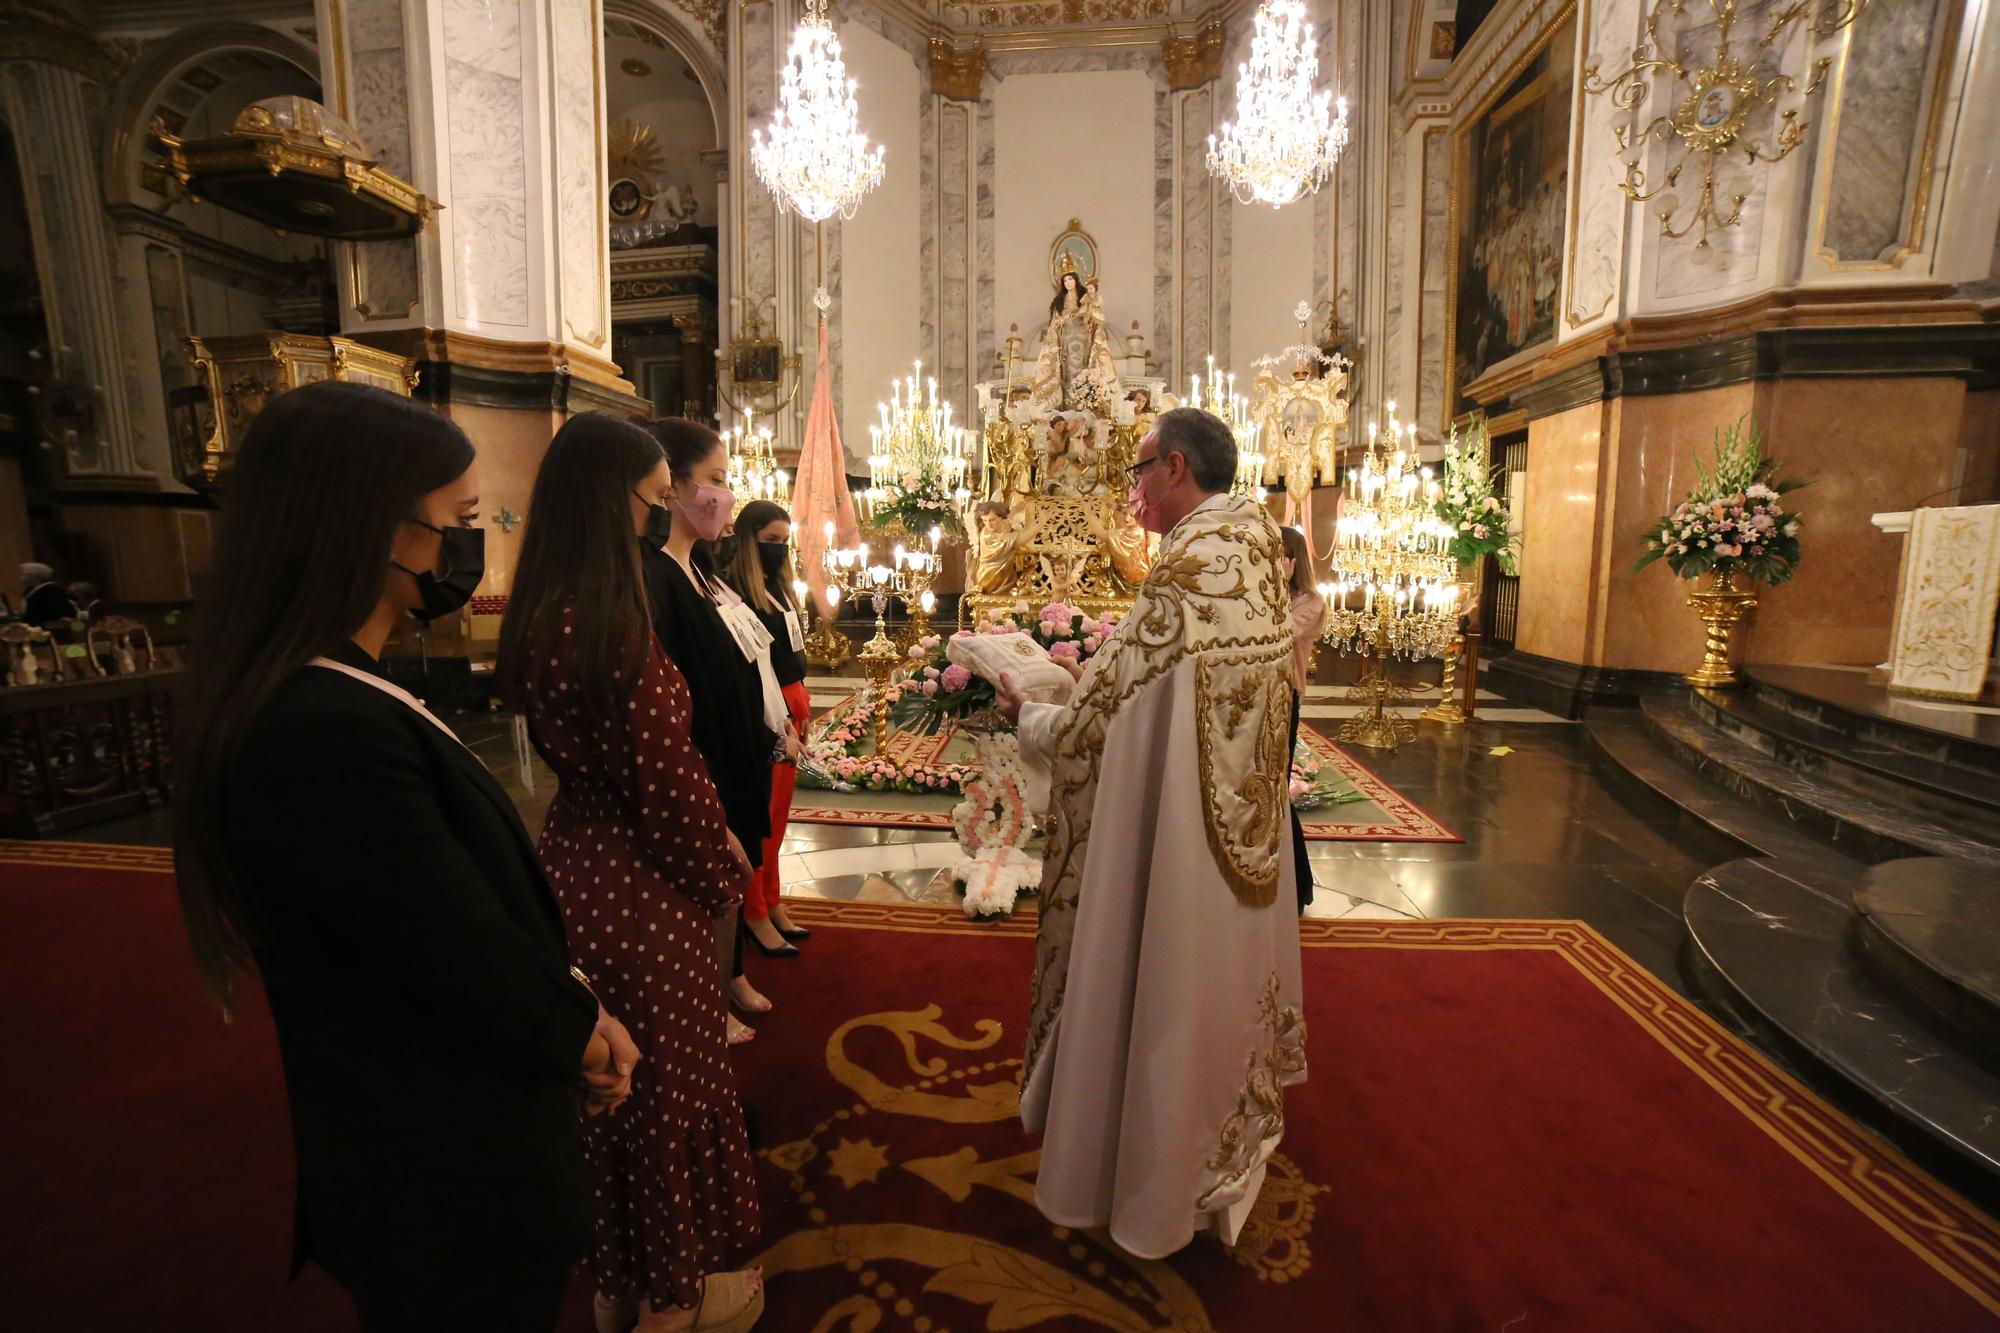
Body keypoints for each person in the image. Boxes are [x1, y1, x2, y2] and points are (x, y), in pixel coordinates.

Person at [170, 380, 640, 1332]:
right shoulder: (318, 726)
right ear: (366, 525)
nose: (466, 550)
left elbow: (443, 896)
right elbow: (447, 946)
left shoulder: (340, 690)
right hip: (440, 1165)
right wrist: (580, 1032)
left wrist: (574, 995)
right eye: (457, 523)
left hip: (447, 1138)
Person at [996, 405, 1306, 1259]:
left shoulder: (1186, 575)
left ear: (1173, 467)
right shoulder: (1252, 550)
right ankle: (1218, 1156)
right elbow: (1154, 691)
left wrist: (1032, 712)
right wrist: (1084, 676)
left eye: (1137, 471)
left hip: (1177, 846)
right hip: (1241, 840)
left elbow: (1098, 729)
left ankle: (1151, 1184)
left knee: (1162, 991)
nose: (1131, 488)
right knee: (1218, 995)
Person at [498, 412, 765, 1333]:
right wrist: (721, 870)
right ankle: (675, 1295)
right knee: (667, 1091)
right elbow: (668, 783)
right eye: (652, 501)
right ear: (612, 499)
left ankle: (620, 1277)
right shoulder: (615, 622)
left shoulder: (545, 606)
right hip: (644, 884)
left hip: (575, 863)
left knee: (612, 1095)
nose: (658, 518)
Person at [640, 417, 782, 1045]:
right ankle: (706, 994)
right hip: (703, 757)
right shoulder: (655, 576)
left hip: (737, 748)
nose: (727, 495)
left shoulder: (704, 570)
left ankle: (730, 974)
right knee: (707, 885)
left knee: (737, 871)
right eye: (717, 480)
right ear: (672, 487)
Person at [715, 500, 816, 956]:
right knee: (761, 818)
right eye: (770, 541)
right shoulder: (738, 589)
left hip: (794, 702)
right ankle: (754, 909)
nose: (778, 549)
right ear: (747, 539)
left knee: (779, 819)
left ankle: (772, 900)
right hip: (768, 710)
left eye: (783, 541)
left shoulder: (778, 587)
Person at [1280, 526, 1325, 914]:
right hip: (1252, 699)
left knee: (1275, 790)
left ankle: (1297, 886)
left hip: (1284, 697)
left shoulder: (1310, 603)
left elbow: (1274, 634)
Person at [20, 561, 77, 628]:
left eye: (24, 574)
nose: (22, 576)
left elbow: (53, 610)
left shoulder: (51, 589)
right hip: (35, 626)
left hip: (49, 627)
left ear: (35, 576)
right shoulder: (29, 590)